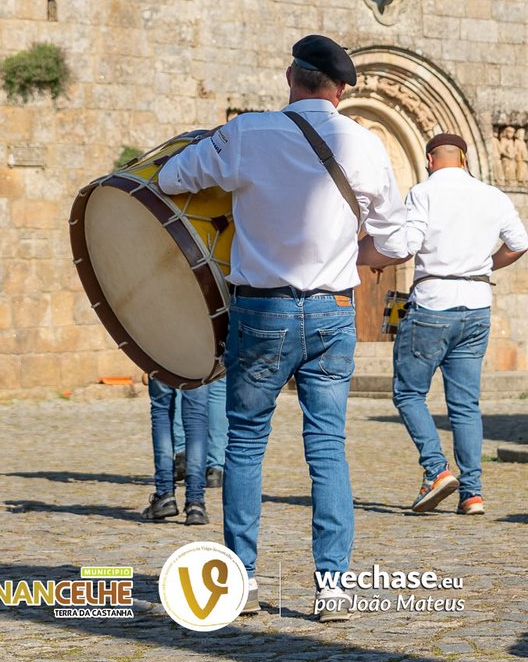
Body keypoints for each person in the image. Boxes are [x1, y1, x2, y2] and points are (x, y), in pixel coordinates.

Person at [158, 35, 404, 622]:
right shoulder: (367, 145)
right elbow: (395, 242)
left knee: (244, 446)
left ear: (290, 77)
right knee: (327, 450)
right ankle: (333, 590)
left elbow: (170, 180)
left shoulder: (248, 133)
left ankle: (240, 583)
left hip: (261, 310)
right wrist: (348, 253)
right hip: (332, 313)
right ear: (341, 91)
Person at [382, 132, 528, 516]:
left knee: (409, 393)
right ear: (464, 159)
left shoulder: (422, 193)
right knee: (465, 405)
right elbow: (520, 242)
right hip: (477, 305)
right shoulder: (493, 196)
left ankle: (435, 470)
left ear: (431, 159)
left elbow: (408, 245)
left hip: (432, 304)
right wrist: (483, 266)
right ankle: (473, 494)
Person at [141, 377, 209, 525]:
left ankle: (165, 495)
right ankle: (195, 503)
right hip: (199, 358)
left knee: (161, 411)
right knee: (196, 416)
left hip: (160, 356)